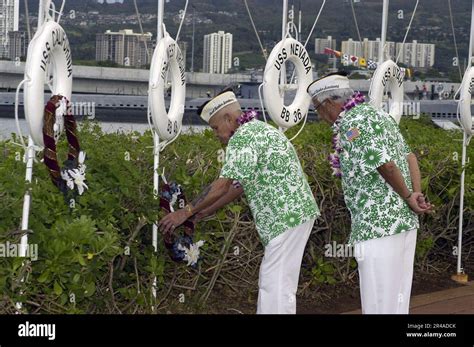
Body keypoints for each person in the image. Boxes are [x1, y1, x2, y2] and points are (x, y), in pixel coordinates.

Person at [158, 90, 320, 314]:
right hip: (295, 215)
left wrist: (184, 212)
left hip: (285, 217)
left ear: (227, 119)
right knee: (277, 282)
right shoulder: (257, 130)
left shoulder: (243, 137)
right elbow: (239, 185)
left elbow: (222, 185)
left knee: (275, 283)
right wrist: (204, 211)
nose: (216, 134)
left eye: (215, 128)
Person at [307, 72, 434, 314]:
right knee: (398, 298)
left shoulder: (350, 125)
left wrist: (409, 196)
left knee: (377, 300)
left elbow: (385, 165)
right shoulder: (379, 115)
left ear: (329, 104)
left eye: (317, 109)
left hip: (376, 226)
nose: (319, 116)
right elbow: (410, 157)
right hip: (404, 222)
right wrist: (415, 194)